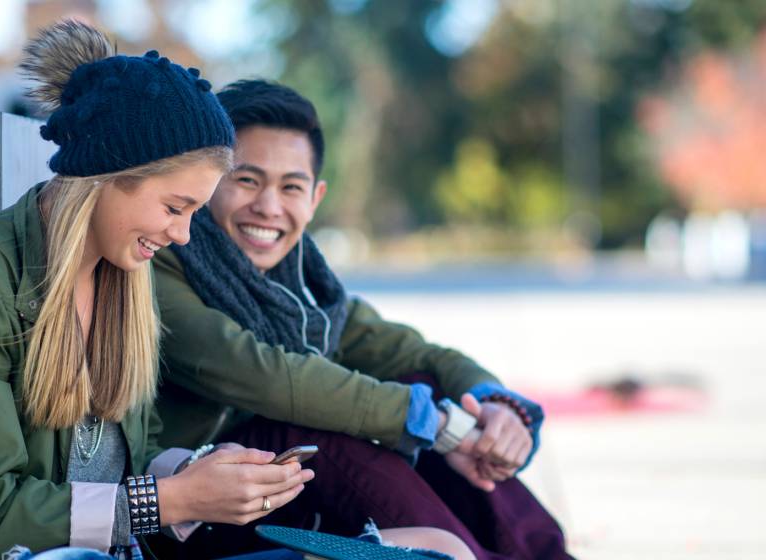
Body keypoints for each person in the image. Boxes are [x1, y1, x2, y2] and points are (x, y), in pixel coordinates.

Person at [0, 21, 312, 559]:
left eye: (194, 213)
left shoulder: (125, 275)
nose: (182, 235)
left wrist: (193, 472)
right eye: (174, 207)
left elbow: (125, 454)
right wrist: (170, 501)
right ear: (105, 177)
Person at [152, 80, 574, 559]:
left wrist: (493, 405)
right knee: (314, 427)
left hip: (274, 495)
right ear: (207, 182)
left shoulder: (304, 286)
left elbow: (416, 354)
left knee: (418, 385)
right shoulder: (164, 259)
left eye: (291, 187)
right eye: (247, 180)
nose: (268, 207)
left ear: (315, 198)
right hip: (190, 510)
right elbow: (264, 376)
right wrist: (433, 422)